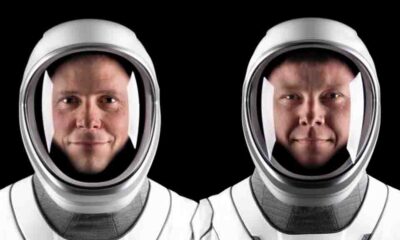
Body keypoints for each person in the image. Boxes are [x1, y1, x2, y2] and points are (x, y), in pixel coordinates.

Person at [192, 18, 400, 240]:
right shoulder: (209, 223)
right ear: (257, 106)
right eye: (290, 96)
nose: (311, 116)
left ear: (367, 107)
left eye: (333, 96)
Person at [0, 19, 197, 240]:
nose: (89, 120)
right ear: (35, 111)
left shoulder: (192, 224)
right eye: (70, 100)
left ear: (143, 109)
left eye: (108, 99)